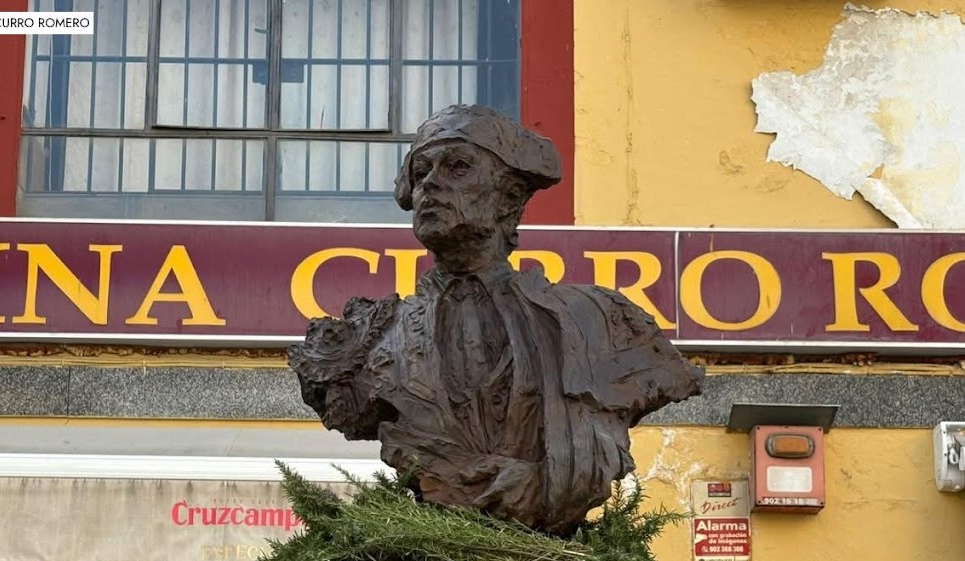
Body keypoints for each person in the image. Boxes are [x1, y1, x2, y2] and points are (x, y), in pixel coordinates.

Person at [289, 104, 703, 535]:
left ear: (508, 199)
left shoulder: (599, 320)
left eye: (458, 167)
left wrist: (542, 480)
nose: (429, 184)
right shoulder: (371, 339)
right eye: (422, 171)